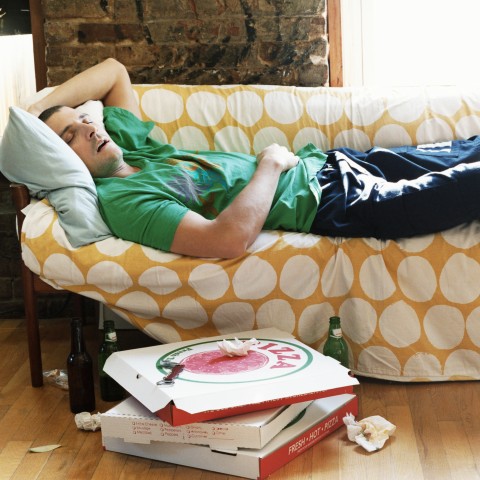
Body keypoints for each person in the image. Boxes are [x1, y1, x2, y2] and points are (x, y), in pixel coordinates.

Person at [28, 58, 480, 259]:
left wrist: (32, 114)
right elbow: (227, 240)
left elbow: (113, 71)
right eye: (72, 136)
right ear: (59, 164)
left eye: (84, 121)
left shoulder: (127, 145)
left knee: (470, 147)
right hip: (328, 205)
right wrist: (270, 164)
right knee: (470, 183)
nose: (90, 128)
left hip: (331, 164)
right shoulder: (124, 200)